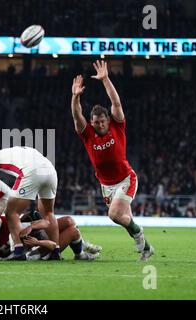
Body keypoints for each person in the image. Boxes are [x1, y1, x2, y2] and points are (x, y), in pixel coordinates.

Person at [70, 60, 154, 261]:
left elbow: (116, 103)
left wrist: (106, 79)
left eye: (102, 121)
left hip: (126, 179)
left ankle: (140, 235)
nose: (99, 124)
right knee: (125, 219)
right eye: (96, 122)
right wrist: (75, 97)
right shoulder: (88, 134)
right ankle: (146, 248)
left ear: (108, 120)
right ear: (91, 123)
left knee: (114, 215)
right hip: (105, 185)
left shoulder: (117, 126)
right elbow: (76, 115)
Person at [0, 146, 59, 260]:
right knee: (48, 213)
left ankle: (18, 251)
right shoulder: (26, 150)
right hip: (51, 171)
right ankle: (55, 251)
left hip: (31, 172)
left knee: (11, 212)